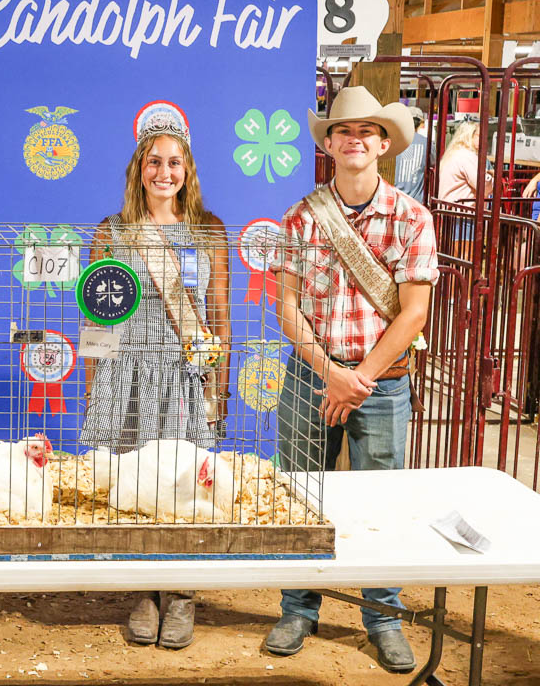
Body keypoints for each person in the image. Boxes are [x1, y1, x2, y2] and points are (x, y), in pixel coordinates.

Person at [266, 86, 438, 673]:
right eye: (344, 130)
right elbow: (287, 306)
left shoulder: (412, 218)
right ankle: (298, 607)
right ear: (329, 144)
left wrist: (357, 378)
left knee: (380, 499)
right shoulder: (300, 217)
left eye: (367, 131)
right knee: (301, 492)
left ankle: (383, 615)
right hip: (312, 375)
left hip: (380, 381)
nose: (355, 139)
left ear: (384, 144)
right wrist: (329, 373)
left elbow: (414, 313)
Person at [78, 104, 230, 650]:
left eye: (174, 162)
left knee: (187, 480)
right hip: (127, 375)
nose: (165, 172)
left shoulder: (210, 230)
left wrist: (218, 386)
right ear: (138, 168)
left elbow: (220, 315)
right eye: (154, 161)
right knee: (136, 481)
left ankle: (182, 592)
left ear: (188, 169)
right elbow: (97, 316)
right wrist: (95, 388)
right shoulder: (112, 231)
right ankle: (142, 588)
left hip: (186, 373)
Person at [437, 120, 494, 247]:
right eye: (479, 135)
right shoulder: (467, 156)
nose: (484, 139)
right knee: (466, 254)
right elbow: (483, 184)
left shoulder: (454, 153)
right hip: (464, 214)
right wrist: (493, 179)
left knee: (454, 252)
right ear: (469, 135)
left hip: (452, 212)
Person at [393, 106, 430, 203]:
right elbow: (434, 163)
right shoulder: (427, 143)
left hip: (395, 198)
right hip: (416, 202)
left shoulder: (393, 141)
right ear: (420, 123)